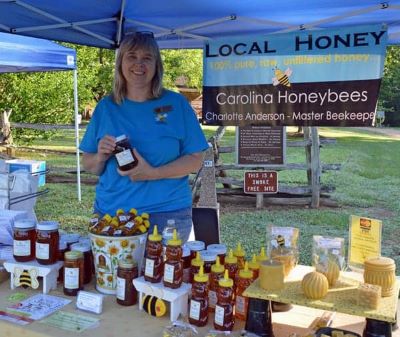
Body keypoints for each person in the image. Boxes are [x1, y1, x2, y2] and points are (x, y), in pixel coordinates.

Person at [79, 31, 208, 243]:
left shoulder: (177, 104)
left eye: (147, 58)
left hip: (166, 215)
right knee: (114, 276)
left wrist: (152, 173)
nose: (139, 64)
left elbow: (195, 159)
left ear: (157, 65)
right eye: (132, 56)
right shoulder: (106, 107)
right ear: (120, 63)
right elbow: (89, 165)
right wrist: (101, 156)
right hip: (112, 214)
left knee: (162, 276)